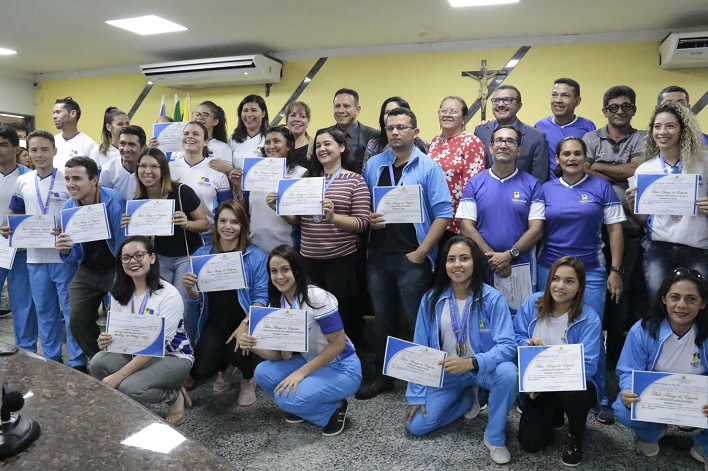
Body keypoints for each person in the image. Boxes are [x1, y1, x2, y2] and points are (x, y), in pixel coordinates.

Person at [357, 107, 452, 399]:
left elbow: (444, 213)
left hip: (412, 257)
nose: (395, 132)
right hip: (379, 257)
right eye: (390, 128)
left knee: (418, 320)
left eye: (401, 127)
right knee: (383, 320)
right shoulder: (373, 165)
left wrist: (422, 252)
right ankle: (383, 376)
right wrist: (370, 217)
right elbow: (368, 205)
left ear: (415, 132)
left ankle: (426, 378)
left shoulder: (429, 167)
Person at [405, 236, 517, 465]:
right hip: (446, 372)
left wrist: (472, 362)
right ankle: (468, 397)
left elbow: (508, 346)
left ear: (475, 263)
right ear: (444, 265)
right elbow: (419, 348)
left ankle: (494, 437)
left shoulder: (492, 298)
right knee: (416, 426)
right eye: (451, 259)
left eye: (464, 258)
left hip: (481, 368)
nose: (457, 265)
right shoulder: (431, 299)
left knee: (508, 373)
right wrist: (415, 394)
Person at [539, 136, 625, 423]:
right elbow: (535, 229)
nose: (572, 158)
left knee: (592, 334)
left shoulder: (602, 187)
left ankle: (598, 396)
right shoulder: (545, 189)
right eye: (566, 154)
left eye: (577, 154)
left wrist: (616, 270)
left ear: (585, 158)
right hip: (549, 271)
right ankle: (543, 387)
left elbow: (614, 230)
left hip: (592, 272)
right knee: (546, 329)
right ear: (558, 159)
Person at [239, 245, 362, 437]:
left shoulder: (317, 298)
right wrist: (253, 345)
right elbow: (277, 356)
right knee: (262, 372)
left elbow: (338, 345)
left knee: (285, 398)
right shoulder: (277, 302)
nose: (279, 276)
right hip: (312, 361)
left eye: (285, 269)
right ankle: (306, 406)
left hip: (343, 367)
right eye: (273, 271)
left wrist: (300, 374)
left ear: (297, 269)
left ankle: (335, 409)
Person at [273, 129, 370, 347]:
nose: (322, 149)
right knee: (311, 314)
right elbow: (297, 221)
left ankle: (345, 360)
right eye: (318, 146)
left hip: (341, 260)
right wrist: (278, 207)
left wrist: (334, 218)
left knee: (343, 313)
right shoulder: (308, 179)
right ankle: (316, 357)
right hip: (308, 260)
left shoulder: (355, 181)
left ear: (342, 147)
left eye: (327, 144)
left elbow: (363, 223)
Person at [89, 236, 194, 426]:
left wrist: (119, 376)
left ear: (152, 258)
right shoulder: (119, 293)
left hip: (172, 357)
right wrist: (106, 340)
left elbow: (157, 346)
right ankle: (126, 401)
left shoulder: (168, 294)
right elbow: (120, 335)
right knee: (97, 363)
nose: (133, 262)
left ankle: (173, 396)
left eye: (139, 255)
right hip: (133, 352)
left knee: (129, 387)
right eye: (126, 258)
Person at [5, 130, 85, 368]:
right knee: (45, 312)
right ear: (27, 153)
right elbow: (16, 213)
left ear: (54, 151)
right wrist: (9, 227)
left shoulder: (67, 180)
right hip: (34, 257)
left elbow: (80, 213)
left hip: (64, 257)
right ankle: (52, 357)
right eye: (34, 150)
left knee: (71, 313)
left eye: (44, 149)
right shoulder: (23, 181)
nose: (39, 155)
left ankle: (78, 360)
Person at [612, 268, 708, 465]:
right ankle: (653, 431)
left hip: (698, 400)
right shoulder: (643, 330)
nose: (681, 305)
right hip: (655, 397)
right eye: (675, 297)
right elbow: (628, 370)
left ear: (703, 303)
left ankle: (703, 443)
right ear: (664, 299)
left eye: (691, 299)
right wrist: (628, 389)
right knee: (623, 409)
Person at [513, 256, 602, 466]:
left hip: (574, 387)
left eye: (569, 281)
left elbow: (587, 366)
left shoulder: (589, 318)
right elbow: (513, 338)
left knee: (578, 392)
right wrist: (527, 342)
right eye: (555, 279)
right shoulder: (532, 304)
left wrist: (542, 383)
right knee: (530, 443)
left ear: (580, 287)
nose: (560, 286)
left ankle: (575, 435)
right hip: (540, 386)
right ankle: (554, 415)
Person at [583, 85, 648, 367]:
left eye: (625, 106)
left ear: (633, 109)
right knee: (595, 300)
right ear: (604, 110)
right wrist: (617, 171)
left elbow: (636, 170)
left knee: (623, 299)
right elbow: (581, 170)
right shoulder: (589, 137)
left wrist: (598, 167)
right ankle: (592, 360)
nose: (619, 111)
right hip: (594, 236)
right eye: (612, 107)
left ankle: (615, 364)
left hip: (631, 232)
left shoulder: (644, 138)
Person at [182, 201, 268, 403]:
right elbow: (195, 299)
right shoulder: (202, 254)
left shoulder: (256, 255)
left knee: (241, 352)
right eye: (223, 221)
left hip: (245, 321)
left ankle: (248, 378)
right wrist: (189, 288)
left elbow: (262, 297)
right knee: (202, 369)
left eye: (234, 222)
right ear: (216, 224)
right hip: (215, 322)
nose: (228, 227)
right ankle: (224, 370)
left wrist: (245, 324)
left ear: (243, 226)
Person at [122, 147, 209, 342]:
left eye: (154, 166)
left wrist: (186, 223)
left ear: (163, 170)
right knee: (158, 304)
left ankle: (188, 352)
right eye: (143, 166)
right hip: (158, 259)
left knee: (183, 304)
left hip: (186, 256)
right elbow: (139, 242)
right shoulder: (138, 201)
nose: (148, 171)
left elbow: (205, 223)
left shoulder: (181, 192)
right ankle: (164, 348)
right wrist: (129, 226)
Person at [627, 102, 708, 301]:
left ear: (683, 130)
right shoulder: (645, 170)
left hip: (697, 248)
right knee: (658, 305)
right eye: (657, 126)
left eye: (670, 126)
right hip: (658, 249)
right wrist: (632, 204)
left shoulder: (704, 162)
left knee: (696, 307)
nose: (662, 132)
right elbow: (642, 220)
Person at [56, 156, 126, 366]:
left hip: (116, 267)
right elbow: (75, 253)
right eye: (67, 179)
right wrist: (66, 249)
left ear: (94, 180)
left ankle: (123, 364)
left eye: (77, 178)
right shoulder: (68, 206)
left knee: (120, 318)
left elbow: (124, 247)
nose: (71, 184)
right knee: (77, 319)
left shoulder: (115, 201)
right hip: (88, 269)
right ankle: (99, 362)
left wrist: (125, 281)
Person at [458, 125, 544, 292]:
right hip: (483, 267)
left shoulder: (533, 185)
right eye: (499, 140)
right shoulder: (474, 183)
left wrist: (508, 256)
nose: (503, 145)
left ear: (519, 150)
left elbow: (537, 230)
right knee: (484, 316)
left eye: (510, 141)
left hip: (520, 267)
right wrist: (494, 258)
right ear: (491, 147)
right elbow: (466, 227)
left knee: (519, 317)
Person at [231, 126, 308, 253]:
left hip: (286, 246)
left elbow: (297, 221)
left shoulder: (300, 173)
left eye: (276, 141)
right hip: (255, 244)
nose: (271, 146)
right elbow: (243, 210)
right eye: (267, 142)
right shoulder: (254, 172)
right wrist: (237, 186)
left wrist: (278, 207)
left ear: (289, 146)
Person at [428, 96, 486, 248]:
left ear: (464, 117)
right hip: (433, 217)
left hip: (456, 222)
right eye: (444, 110)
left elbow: (473, 186)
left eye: (454, 111)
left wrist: (465, 223)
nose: (447, 114)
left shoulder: (471, 142)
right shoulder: (434, 141)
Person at [0, 126, 37, 355]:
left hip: (20, 249)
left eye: (3, 145)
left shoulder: (28, 178)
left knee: (23, 305)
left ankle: (26, 352)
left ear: (16, 149)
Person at [169, 121, 232, 245]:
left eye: (196, 134)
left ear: (206, 142)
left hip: (208, 237)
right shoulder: (168, 168)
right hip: (174, 235)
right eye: (186, 133)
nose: (190, 137)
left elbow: (226, 208)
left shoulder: (216, 169)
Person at [474, 85, 549, 182]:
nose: (500, 104)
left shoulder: (536, 137)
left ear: (519, 106)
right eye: (496, 100)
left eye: (507, 100)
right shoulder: (480, 131)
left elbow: (539, 178)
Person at [535, 79, 596, 181]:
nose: (558, 100)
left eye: (565, 96)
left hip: (579, 186)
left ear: (577, 101)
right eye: (554, 95)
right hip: (547, 188)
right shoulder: (540, 126)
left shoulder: (587, 127)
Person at [362, 96, 429, 169]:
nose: (391, 116)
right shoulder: (374, 145)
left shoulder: (423, 145)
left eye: (395, 111)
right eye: (387, 112)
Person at [211, 95, 268, 175]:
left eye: (253, 110)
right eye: (245, 110)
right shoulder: (234, 139)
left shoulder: (269, 138)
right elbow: (226, 166)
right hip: (235, 186)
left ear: (263, 113)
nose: (248, 114)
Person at [325, 88, 379, 174]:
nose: (341, 111)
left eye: (346, 106)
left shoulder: (373, 136)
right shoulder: (324, 135)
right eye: (337, 106)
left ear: (358, 109)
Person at [99, 125, 146, 200]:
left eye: (132, 145)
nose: (126, 149)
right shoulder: (108, 169)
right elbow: (103, 198)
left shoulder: (150, 170)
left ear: (143, 148)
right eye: (122, 143)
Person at [53, 97, 97, 169]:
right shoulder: (52, 141)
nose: (54, 116)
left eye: (58, 112)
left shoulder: (89, 145)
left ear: (72, 113)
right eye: (54, 113)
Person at [285, 101, 312, 169]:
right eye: (293, 115)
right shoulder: (278, 146)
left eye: (302, 116)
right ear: (286, 121)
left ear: (308, 122)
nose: (297, 119)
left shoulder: (314, 147)